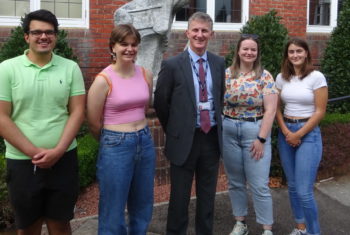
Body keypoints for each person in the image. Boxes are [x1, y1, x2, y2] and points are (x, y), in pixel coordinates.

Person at [0, 9, 86, 235]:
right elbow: (1, 117)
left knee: (60, 225)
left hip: (64, 159)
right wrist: (34, 152)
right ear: (26, 36)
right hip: (22, 162)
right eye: (37, 32)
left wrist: (58, 151)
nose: (43, 37)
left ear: (56, 36)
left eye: (49, 32)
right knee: (28, 227)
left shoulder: (70, 68)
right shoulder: (7, 69)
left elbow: (77, 112)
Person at [154, 11, 225, 235]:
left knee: (207, 198)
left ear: (211, 34)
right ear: (187, 32)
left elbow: (220, 98)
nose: (199, 35)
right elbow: (161, 103)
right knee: (179, 199)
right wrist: (175, 129)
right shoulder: (172, 64)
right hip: (184, 140)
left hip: (211, 139)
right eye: (195, 30)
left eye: (204, 31)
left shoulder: (219, 63)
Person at [87, 24, 155, 235]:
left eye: (134, 44)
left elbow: (145, 108)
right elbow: (93, 122)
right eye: (123, 44)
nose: (129, 49)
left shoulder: (146, 74)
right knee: (113, 206)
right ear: (112, 47)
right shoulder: (103, 80)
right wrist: (114, 140)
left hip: (144, 141)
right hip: (115, 145)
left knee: (143, 201)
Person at [222, 34, 278, 235]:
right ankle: (241, 223)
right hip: (228, 131)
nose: (249, 52)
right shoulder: (227, 74)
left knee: (259, 184)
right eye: (245, 48)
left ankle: (267, 229)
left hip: (254, 131)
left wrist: (261, 139)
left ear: (257, 53)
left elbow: (271, 110)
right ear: (238, 51)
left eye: (253, 49)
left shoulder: (264, 76)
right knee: (235, 182)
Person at [276, 38, 328, 235]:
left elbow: (320, 111)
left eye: (299, 51)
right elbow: (276, 108)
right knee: (292, 186)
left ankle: (314, 232)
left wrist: (298, 133)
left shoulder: (316, 77)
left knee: (304, 192)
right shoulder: (281, 78)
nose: (295, 55)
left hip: (308, 135)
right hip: (286, 134)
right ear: (287, 55)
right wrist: (287, 132)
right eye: (291, 52)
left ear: (306, 53)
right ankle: (300, 228)